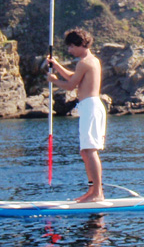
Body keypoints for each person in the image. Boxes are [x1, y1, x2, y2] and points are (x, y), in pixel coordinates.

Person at [45, 28, 107, 203]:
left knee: (90, 150)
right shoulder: (90, 61)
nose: (70, 51)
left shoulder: (85, 62)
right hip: (89, 107)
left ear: (80, 44)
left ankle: (97, 193)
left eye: (72, 47)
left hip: (91, 107)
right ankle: (92, 190)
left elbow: (71, 85)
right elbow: (75, 77)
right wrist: (56, 66)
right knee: (85, 151)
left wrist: (53, 80)